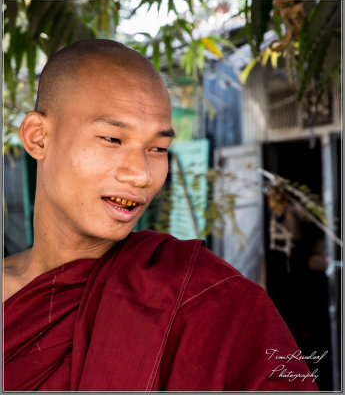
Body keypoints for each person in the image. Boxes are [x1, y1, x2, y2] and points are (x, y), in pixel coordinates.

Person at [3, 39, 319, 392]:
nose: (141, 174)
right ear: (38, 138)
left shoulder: (209, 301)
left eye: (157, 148)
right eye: (112, 138)